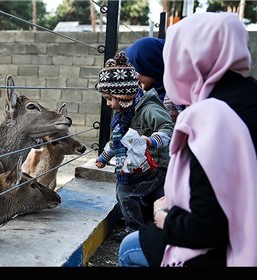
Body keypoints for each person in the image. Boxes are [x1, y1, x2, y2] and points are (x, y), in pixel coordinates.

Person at [119, 12, 257, 267]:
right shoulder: (249, 95)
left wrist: (161, 215)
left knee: (129, 248)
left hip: (230, 250)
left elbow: (205, 229)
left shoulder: (210, 119)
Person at [95, 50, 174, 241]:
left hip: (157, 165)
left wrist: (152, 141)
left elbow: (168, 128)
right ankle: (142, 217)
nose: (108, 104)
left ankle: (134, 228)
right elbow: (117, 140)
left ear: (122, 96)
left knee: (126, 191)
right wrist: (104, 158)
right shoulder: (124, 113)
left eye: (109, 99)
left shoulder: (148, 109)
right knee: (151, 195)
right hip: (140, 164)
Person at [125, 37, 185, 123]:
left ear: (151, 65)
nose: (134, 77)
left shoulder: (183, 92)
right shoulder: (141, 96)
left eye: (136, 70)